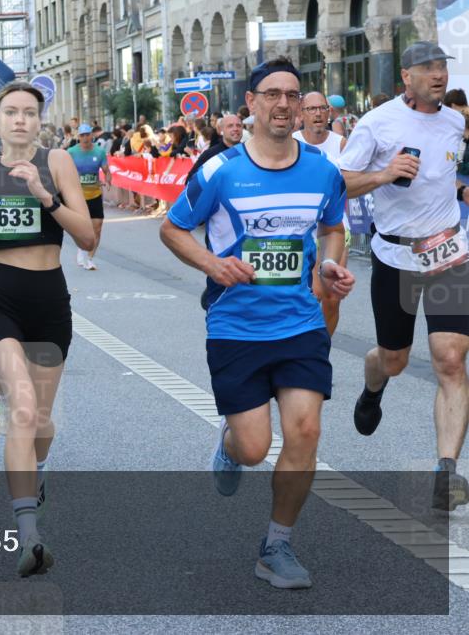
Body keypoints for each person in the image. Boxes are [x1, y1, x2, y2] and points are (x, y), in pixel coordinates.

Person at [160, 57, 354, 589]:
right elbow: (174, 230)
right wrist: (213, 264)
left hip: (300, 322)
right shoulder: (220, 171)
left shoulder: (322, 170)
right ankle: (229, 445)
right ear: (251, 104)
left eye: (293, 95)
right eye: (272, 94)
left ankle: (277, 545)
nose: (285, 104)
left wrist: (330, 263)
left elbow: (332, 227)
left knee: (305, 430)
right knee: (252, 447)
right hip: (236, 327)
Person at [0, 81, 94, 577]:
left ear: (40, 121)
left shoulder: (57, 163)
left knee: (41, 421)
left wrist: (43, 196)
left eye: (29, 113)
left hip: (51, 302)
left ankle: (37, 468)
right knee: (24, 409)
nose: (19, 120)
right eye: (10, 112)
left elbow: (88, 236)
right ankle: (29, 535)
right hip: (0, 299)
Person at [339, 41, 469, 511]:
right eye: (428, 68)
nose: (438, 75)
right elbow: (342, 180)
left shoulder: (457, 122)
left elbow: (449, 177)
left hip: (450, 253)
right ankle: (373, 388)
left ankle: (447, 472)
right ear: (406, 76)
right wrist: (385, 173)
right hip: (395, 258)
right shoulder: (378, 123)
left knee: (450, 358)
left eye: (442, 67)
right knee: (393, 358)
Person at [291, 92, 350, 336]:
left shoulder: (340, 144)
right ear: (301, 113)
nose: (317, 114)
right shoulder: (291, 142)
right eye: (312, 109)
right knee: (308, 295)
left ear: (329, 112)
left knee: (331, 296)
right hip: (298, 229)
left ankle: (321, 349)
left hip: (335, 228)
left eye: (322, 108)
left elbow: (353, 181)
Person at [68, 123, 111, 270]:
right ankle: (82, 248)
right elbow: (64, 171)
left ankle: (90, 258)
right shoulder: (71, 152)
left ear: (92, 135)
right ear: (78, 137)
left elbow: (106, 169)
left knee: (97, 228)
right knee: (81, 227)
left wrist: (108, 179)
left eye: (87, 135)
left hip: (95, 194)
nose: (85, 138)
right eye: (82, 135)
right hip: (78, 196)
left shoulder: (99, 152)